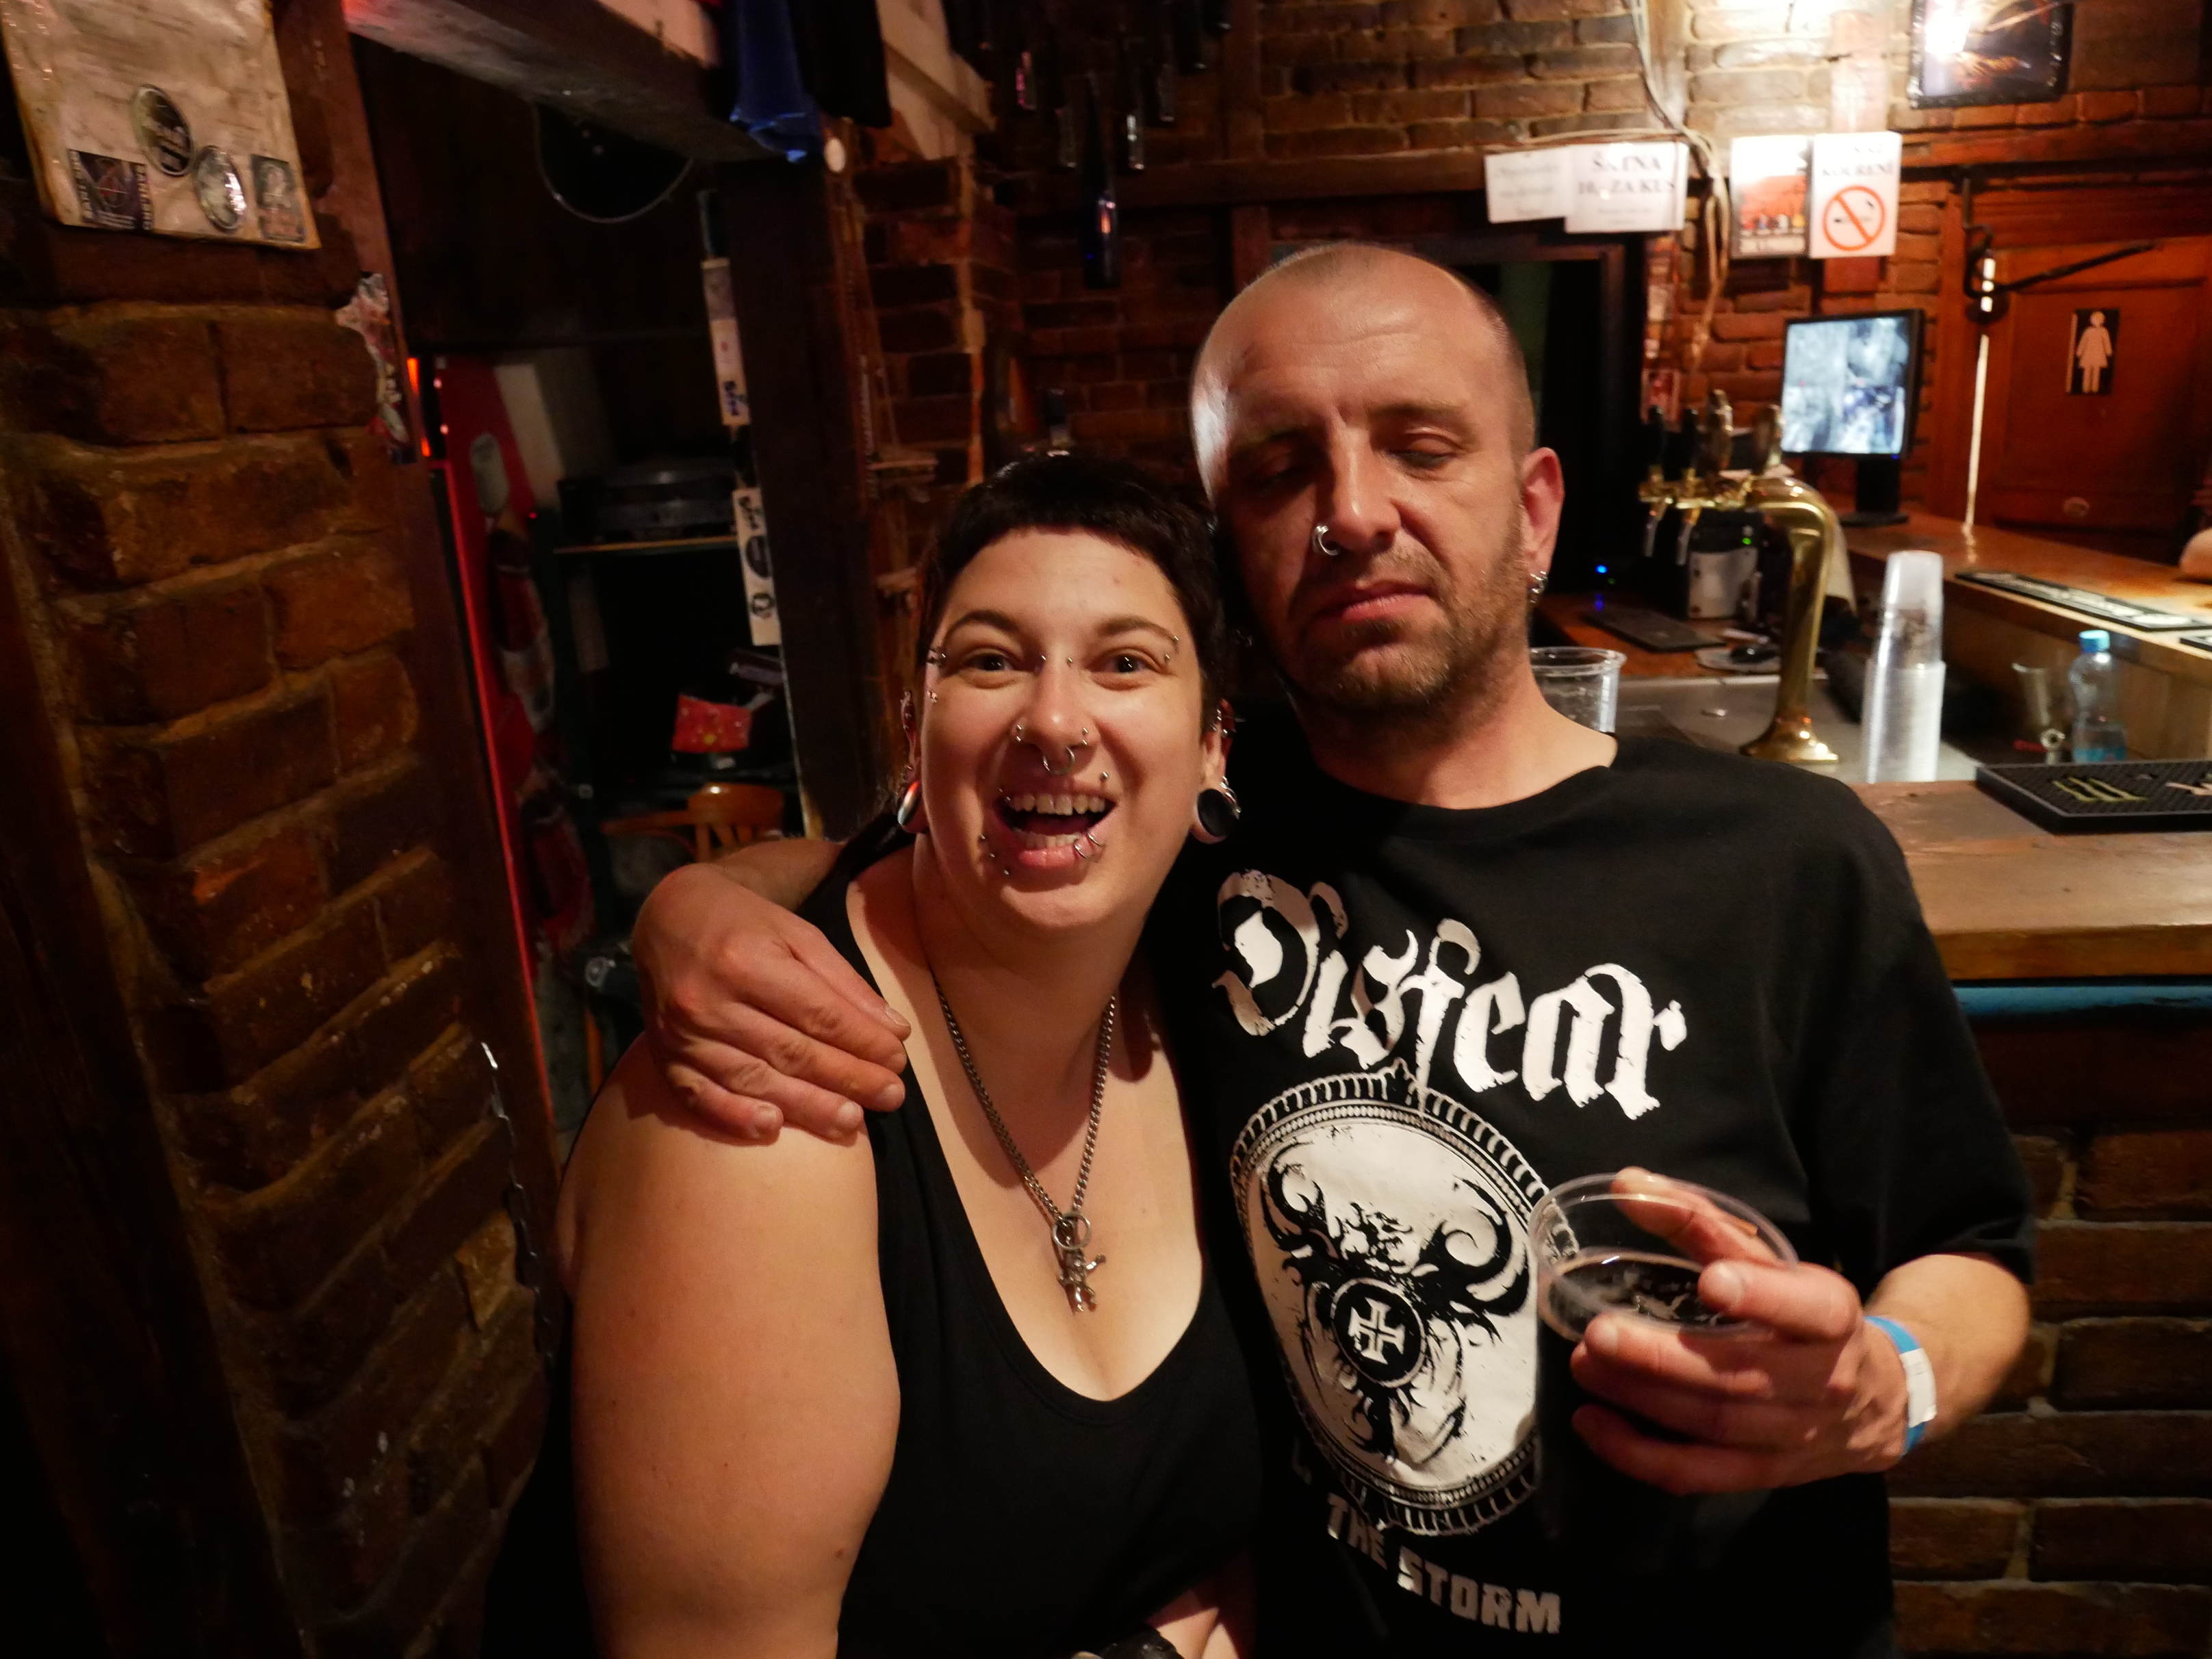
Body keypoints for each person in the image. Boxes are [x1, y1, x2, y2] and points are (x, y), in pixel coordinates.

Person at [632, 244, 2034, 1658]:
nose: (1352, 512)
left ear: (1534, 511)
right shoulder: (1182, 830)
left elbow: (1967, 1252)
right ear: (1230, 552)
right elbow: (915, 854)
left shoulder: (1784, 863)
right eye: (1279, 469)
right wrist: (695, 905)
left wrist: (1888, 1382)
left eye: (1420, 447)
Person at [524, 454, 1263, 1659]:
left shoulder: (1211, 988)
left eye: (1126, 662)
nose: (1055, 720)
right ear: (917, 733)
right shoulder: (768, 1105)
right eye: (991, 660)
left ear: (1213, 744)